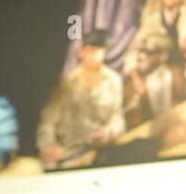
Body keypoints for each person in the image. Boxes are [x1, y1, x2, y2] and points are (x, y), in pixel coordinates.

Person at [37, 28, 126, 170]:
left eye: (98, 50)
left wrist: (109, 132)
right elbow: (47, 122)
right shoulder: (67, 83)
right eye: (90, 50)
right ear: (81, 51)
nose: (93, 55)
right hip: (71, 155)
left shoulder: (113, 81)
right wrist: (48, 145)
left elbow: (118, 118)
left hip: (102, 154)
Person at [122, 33, 177, 131]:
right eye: (140, 51)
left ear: (163, 56)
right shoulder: (130, 74)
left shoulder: (168, 77)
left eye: (149, 53)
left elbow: (163, 115)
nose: (141, 56)